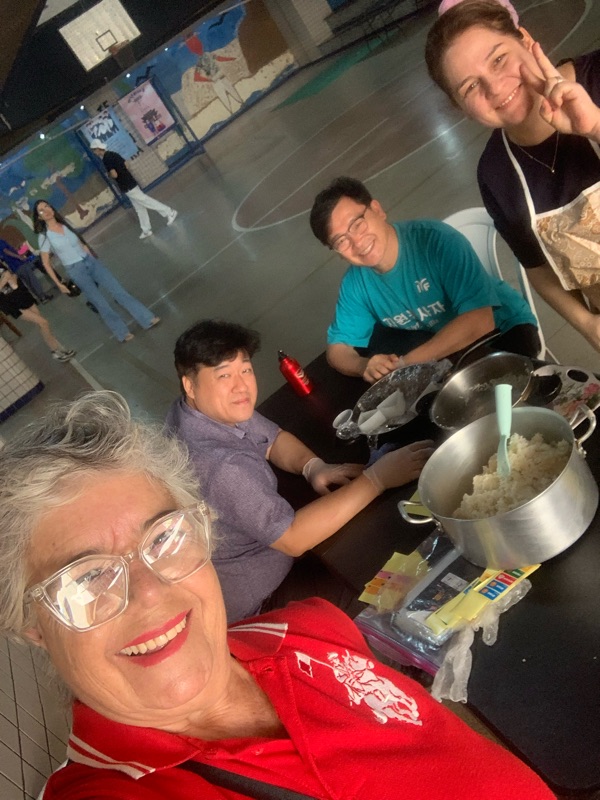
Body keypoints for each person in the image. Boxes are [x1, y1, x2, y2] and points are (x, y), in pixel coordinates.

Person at [0, 390, 555, 799]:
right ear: (31, 625)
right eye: (85, 578)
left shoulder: (311, 626)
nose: (149, 593)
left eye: (163, 537)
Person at [165, 319, 434, 623]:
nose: (241, 386)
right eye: (224, 375)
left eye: (246, 369)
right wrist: (377, 479)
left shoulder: (196, 410)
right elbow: (293, 538)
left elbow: (272, 439)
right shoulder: (220, 466)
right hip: (261, 599)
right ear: (190, 385)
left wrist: (312, 466)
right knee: (381, 577)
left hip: (262, 549)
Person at [425, 1, 600, 352]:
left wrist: (595, 126)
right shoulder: (496, 173)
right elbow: (537, 268)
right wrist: (589, 326)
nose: (494, 88)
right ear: (460, 108)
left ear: (525, 39)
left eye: (499, 59)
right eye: (470, 87)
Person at [309, 177, 539, 383]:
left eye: (357, 224)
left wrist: (405, 365)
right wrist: (363, 366)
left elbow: (481, 320)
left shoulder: (436, 241)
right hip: (444, 346)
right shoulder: (355, 283)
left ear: (377, 210)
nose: (357, 242)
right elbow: (337, 349)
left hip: (504, 328)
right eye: (341, 241)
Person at [33, 200, 160, 343]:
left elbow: (80, 243)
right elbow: (45, 263)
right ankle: (122, 332)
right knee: (100, 303)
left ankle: (147, 318)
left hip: (90, 262)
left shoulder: (65, 224)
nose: (46, 210)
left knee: (118, 290)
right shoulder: (44, 236)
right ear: (39, 217)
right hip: (76, 270)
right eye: (41, 210)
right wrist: (59, 284)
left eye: (47, 206)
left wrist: (91, 257)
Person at [90, 140, 178, 239]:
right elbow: (126, 164)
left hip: (125, 185)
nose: (94, 152)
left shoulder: (106, 159)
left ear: (98, 149)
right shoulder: (113, 154)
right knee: (139, 208)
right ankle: (146, 229)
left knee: (145, 200)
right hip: (130, 181)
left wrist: (109, 175)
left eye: (94, 150)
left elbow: (114, 174)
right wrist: (122, 171)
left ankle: (169, 212)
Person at [0, 264, 75, 361]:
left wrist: (11, 279)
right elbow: (6, 278)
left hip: (21, 295)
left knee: (42, 324)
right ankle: (55, 351)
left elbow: (12, 274)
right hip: (12, 304)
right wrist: (5, 280)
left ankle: (59, 348)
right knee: (43, 322)